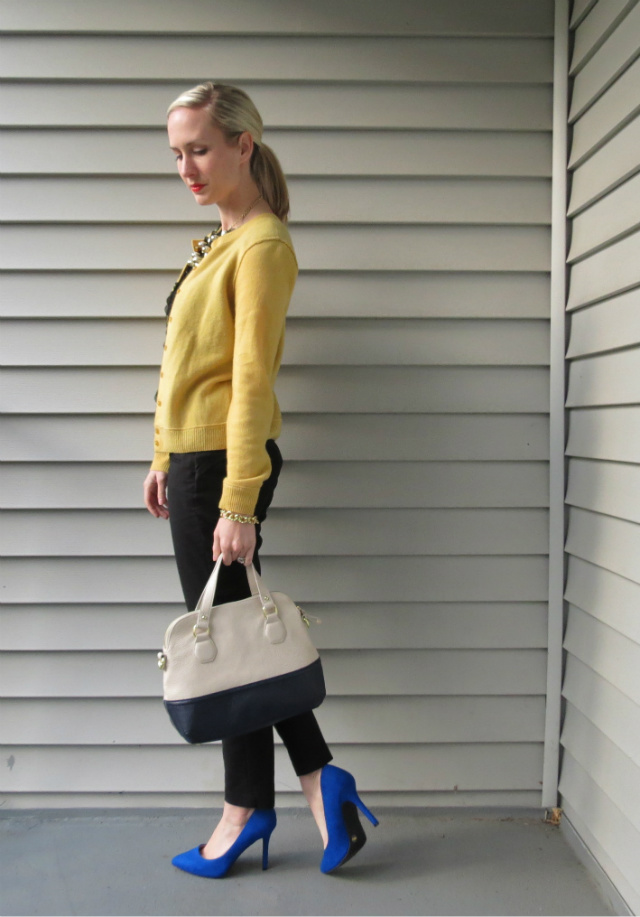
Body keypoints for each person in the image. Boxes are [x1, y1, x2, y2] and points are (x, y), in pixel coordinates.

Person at [143, 82, 378, 878]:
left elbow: (248, 381)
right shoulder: (220, 242)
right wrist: (161, 454)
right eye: (177, 153)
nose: (188, 167)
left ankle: (250, 808)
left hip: (224, 464)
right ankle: (313, 785)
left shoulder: (263, 245)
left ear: (244, 143)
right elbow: (186, 367)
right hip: (196, 460)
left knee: (231, 645)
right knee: (235, 641)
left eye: (201, 148)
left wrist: (237, 498)